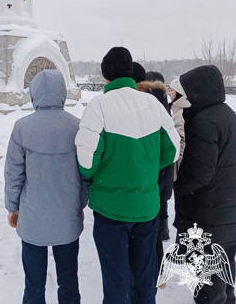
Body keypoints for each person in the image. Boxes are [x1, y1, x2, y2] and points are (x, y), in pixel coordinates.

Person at [75, 47, 180, 304]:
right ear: (131, 73)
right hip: (146, 208)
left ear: (105, 75)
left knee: (116, 284)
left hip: (110, 210)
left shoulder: (98, 105)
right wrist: (145, 168)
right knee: (144, 282)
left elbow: (86, 161)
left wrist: (106, 172)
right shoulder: (152, 105)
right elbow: (173, 149)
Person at [5, 70, 88, 304]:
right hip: (67, 214)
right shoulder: (77, 126)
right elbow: (85, 173)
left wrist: (12, 207)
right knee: (69, 280)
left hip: (33, 216)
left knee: (34, 283)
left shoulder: (22, 128)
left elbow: (14, 173)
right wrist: (81, 203)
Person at [173, 66, 236, 304]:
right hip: (227, 207)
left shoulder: (204, 122)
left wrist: (178, 185)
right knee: (225, 268)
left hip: (206, 212)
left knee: (208, 282)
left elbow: (200, 172)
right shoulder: (226, 114)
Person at [136, 71, 173, 245]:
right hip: (163, 166)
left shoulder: (147, 103)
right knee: (161, 200)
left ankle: (158, 233)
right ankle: (163, 229)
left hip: (152, 164)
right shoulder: (163, 102)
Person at [168, 77, 191, 181]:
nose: (169, 93)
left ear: (179, 92)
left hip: (179, 169)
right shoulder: (179, 111)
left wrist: (177, 173)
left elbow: (182, 143)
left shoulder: (180, 114)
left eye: (172, 90)